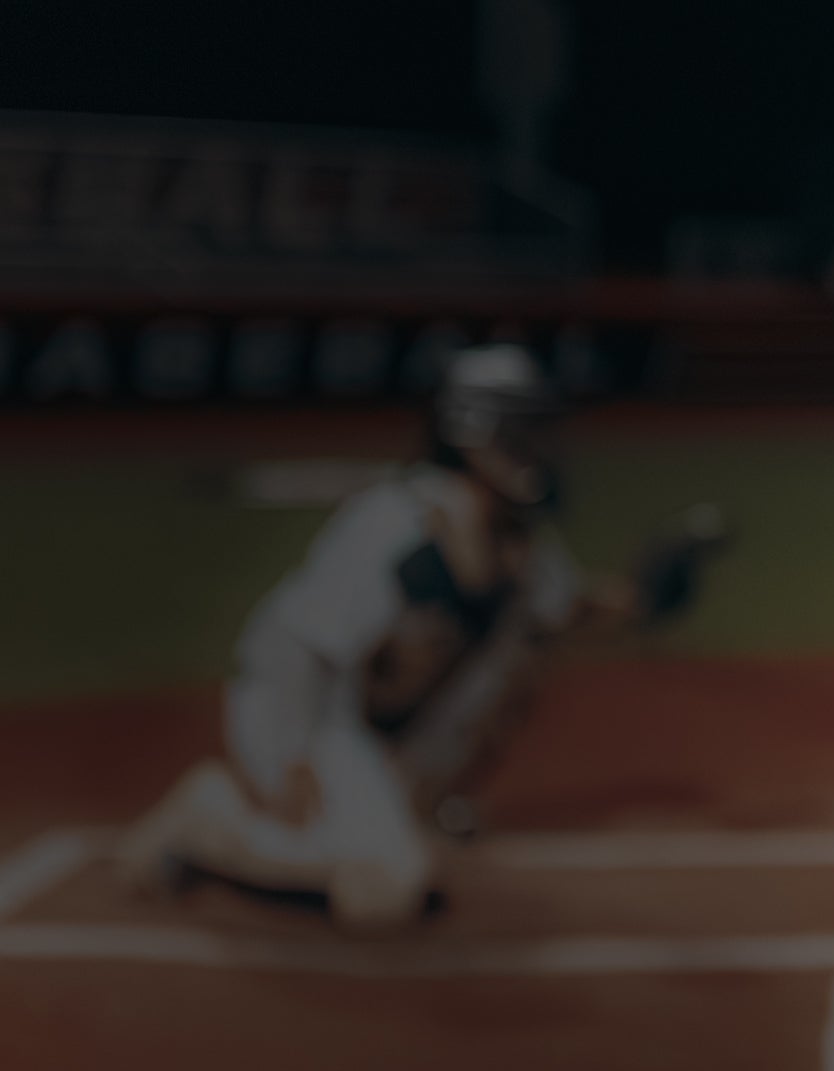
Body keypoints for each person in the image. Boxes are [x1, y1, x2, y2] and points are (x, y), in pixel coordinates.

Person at [112, 345, 722, 931]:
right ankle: (210, 818)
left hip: (377, 728)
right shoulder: (397, 527)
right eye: (524, 428)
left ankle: (393, 808)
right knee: (382, 892)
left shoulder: (520, 545)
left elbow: (568, 609)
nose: (542, 446)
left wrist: (647, 601)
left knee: (524, 648)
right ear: (474, 432)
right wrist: (299, 765)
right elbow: (305, 648)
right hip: (303, 712)